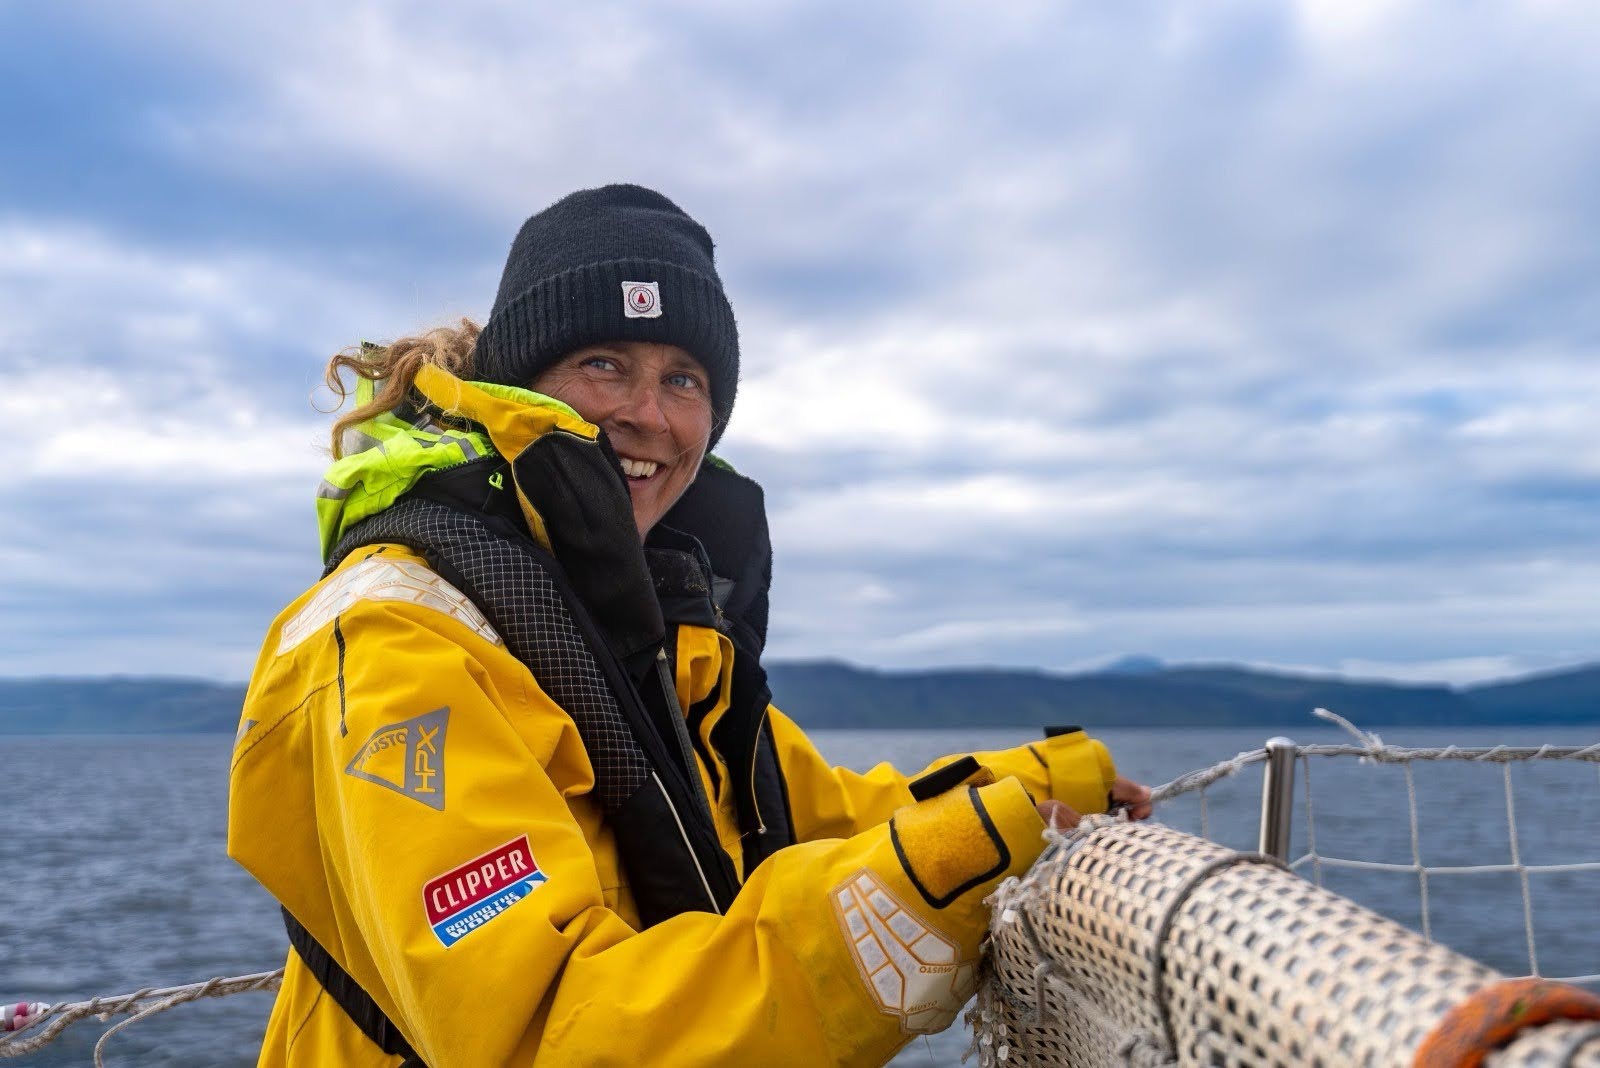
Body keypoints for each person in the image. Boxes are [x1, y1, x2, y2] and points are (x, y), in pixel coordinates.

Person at [227, 184, 1152, 1067]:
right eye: (604, 365)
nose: (649, 416)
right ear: (519, 384)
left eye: (684, 379)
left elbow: (817, 818)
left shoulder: (657, 637)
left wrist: (1047, 790)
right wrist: (929, 891)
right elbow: (542, 1029)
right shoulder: (395, 641)